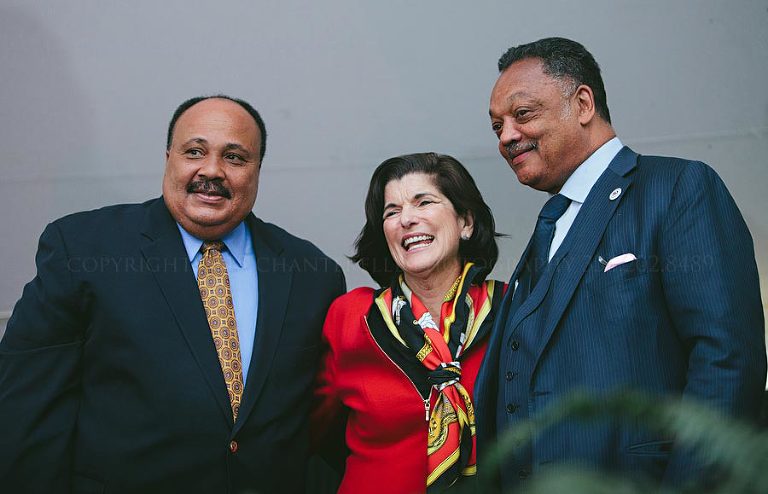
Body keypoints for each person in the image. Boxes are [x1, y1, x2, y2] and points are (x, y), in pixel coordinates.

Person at [0, 95, 346, 493]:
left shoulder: (312, 274)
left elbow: (323, 421)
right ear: (169, 158)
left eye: (235, 157)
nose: (212, 170)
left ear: (257, 170)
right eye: (194, 151)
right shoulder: (84, 249)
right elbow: (27, 410)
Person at [476, 37, 767, 489]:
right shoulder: (549, 227)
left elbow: (728, 359)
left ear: (584, 103)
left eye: (523, 114)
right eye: (497, 127)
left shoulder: (677, 188)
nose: (507, 136)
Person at [312, 152, 506, 493]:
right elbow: (314, 430)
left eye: (424, 202)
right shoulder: (351, 317)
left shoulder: (511, 308)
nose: (406, 219)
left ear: (466, 222)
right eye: (391, 211)